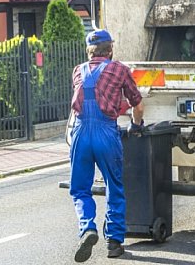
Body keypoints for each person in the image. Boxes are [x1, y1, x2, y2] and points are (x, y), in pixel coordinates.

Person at [69, 29, 144, 262]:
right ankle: (114, 243)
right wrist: (136, 125)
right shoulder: (119, 69)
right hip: (105, 133)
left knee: (81, 189)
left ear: (88, 50)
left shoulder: (77, 71)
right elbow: (138, 105)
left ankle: (87, 228)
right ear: (110, 49)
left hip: (80, 132)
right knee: (114, 186)